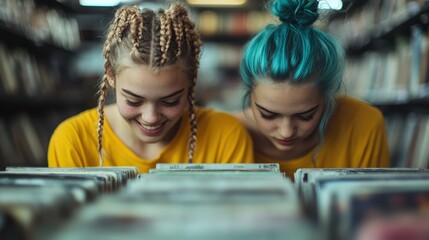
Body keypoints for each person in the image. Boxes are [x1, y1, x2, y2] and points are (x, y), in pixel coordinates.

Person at [48, 2, 254, 172]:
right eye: (134, 100)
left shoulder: (226, 136)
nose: (151, 118)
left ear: (192, 80)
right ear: (111, 76)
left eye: (170, 101)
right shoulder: (73, 141)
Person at [234, 0, 390, 180]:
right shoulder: (226, 133)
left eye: (305, 116)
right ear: (250, 94)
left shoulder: (363, 124)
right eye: (268, 115)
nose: (286, 132)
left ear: (327, 95)